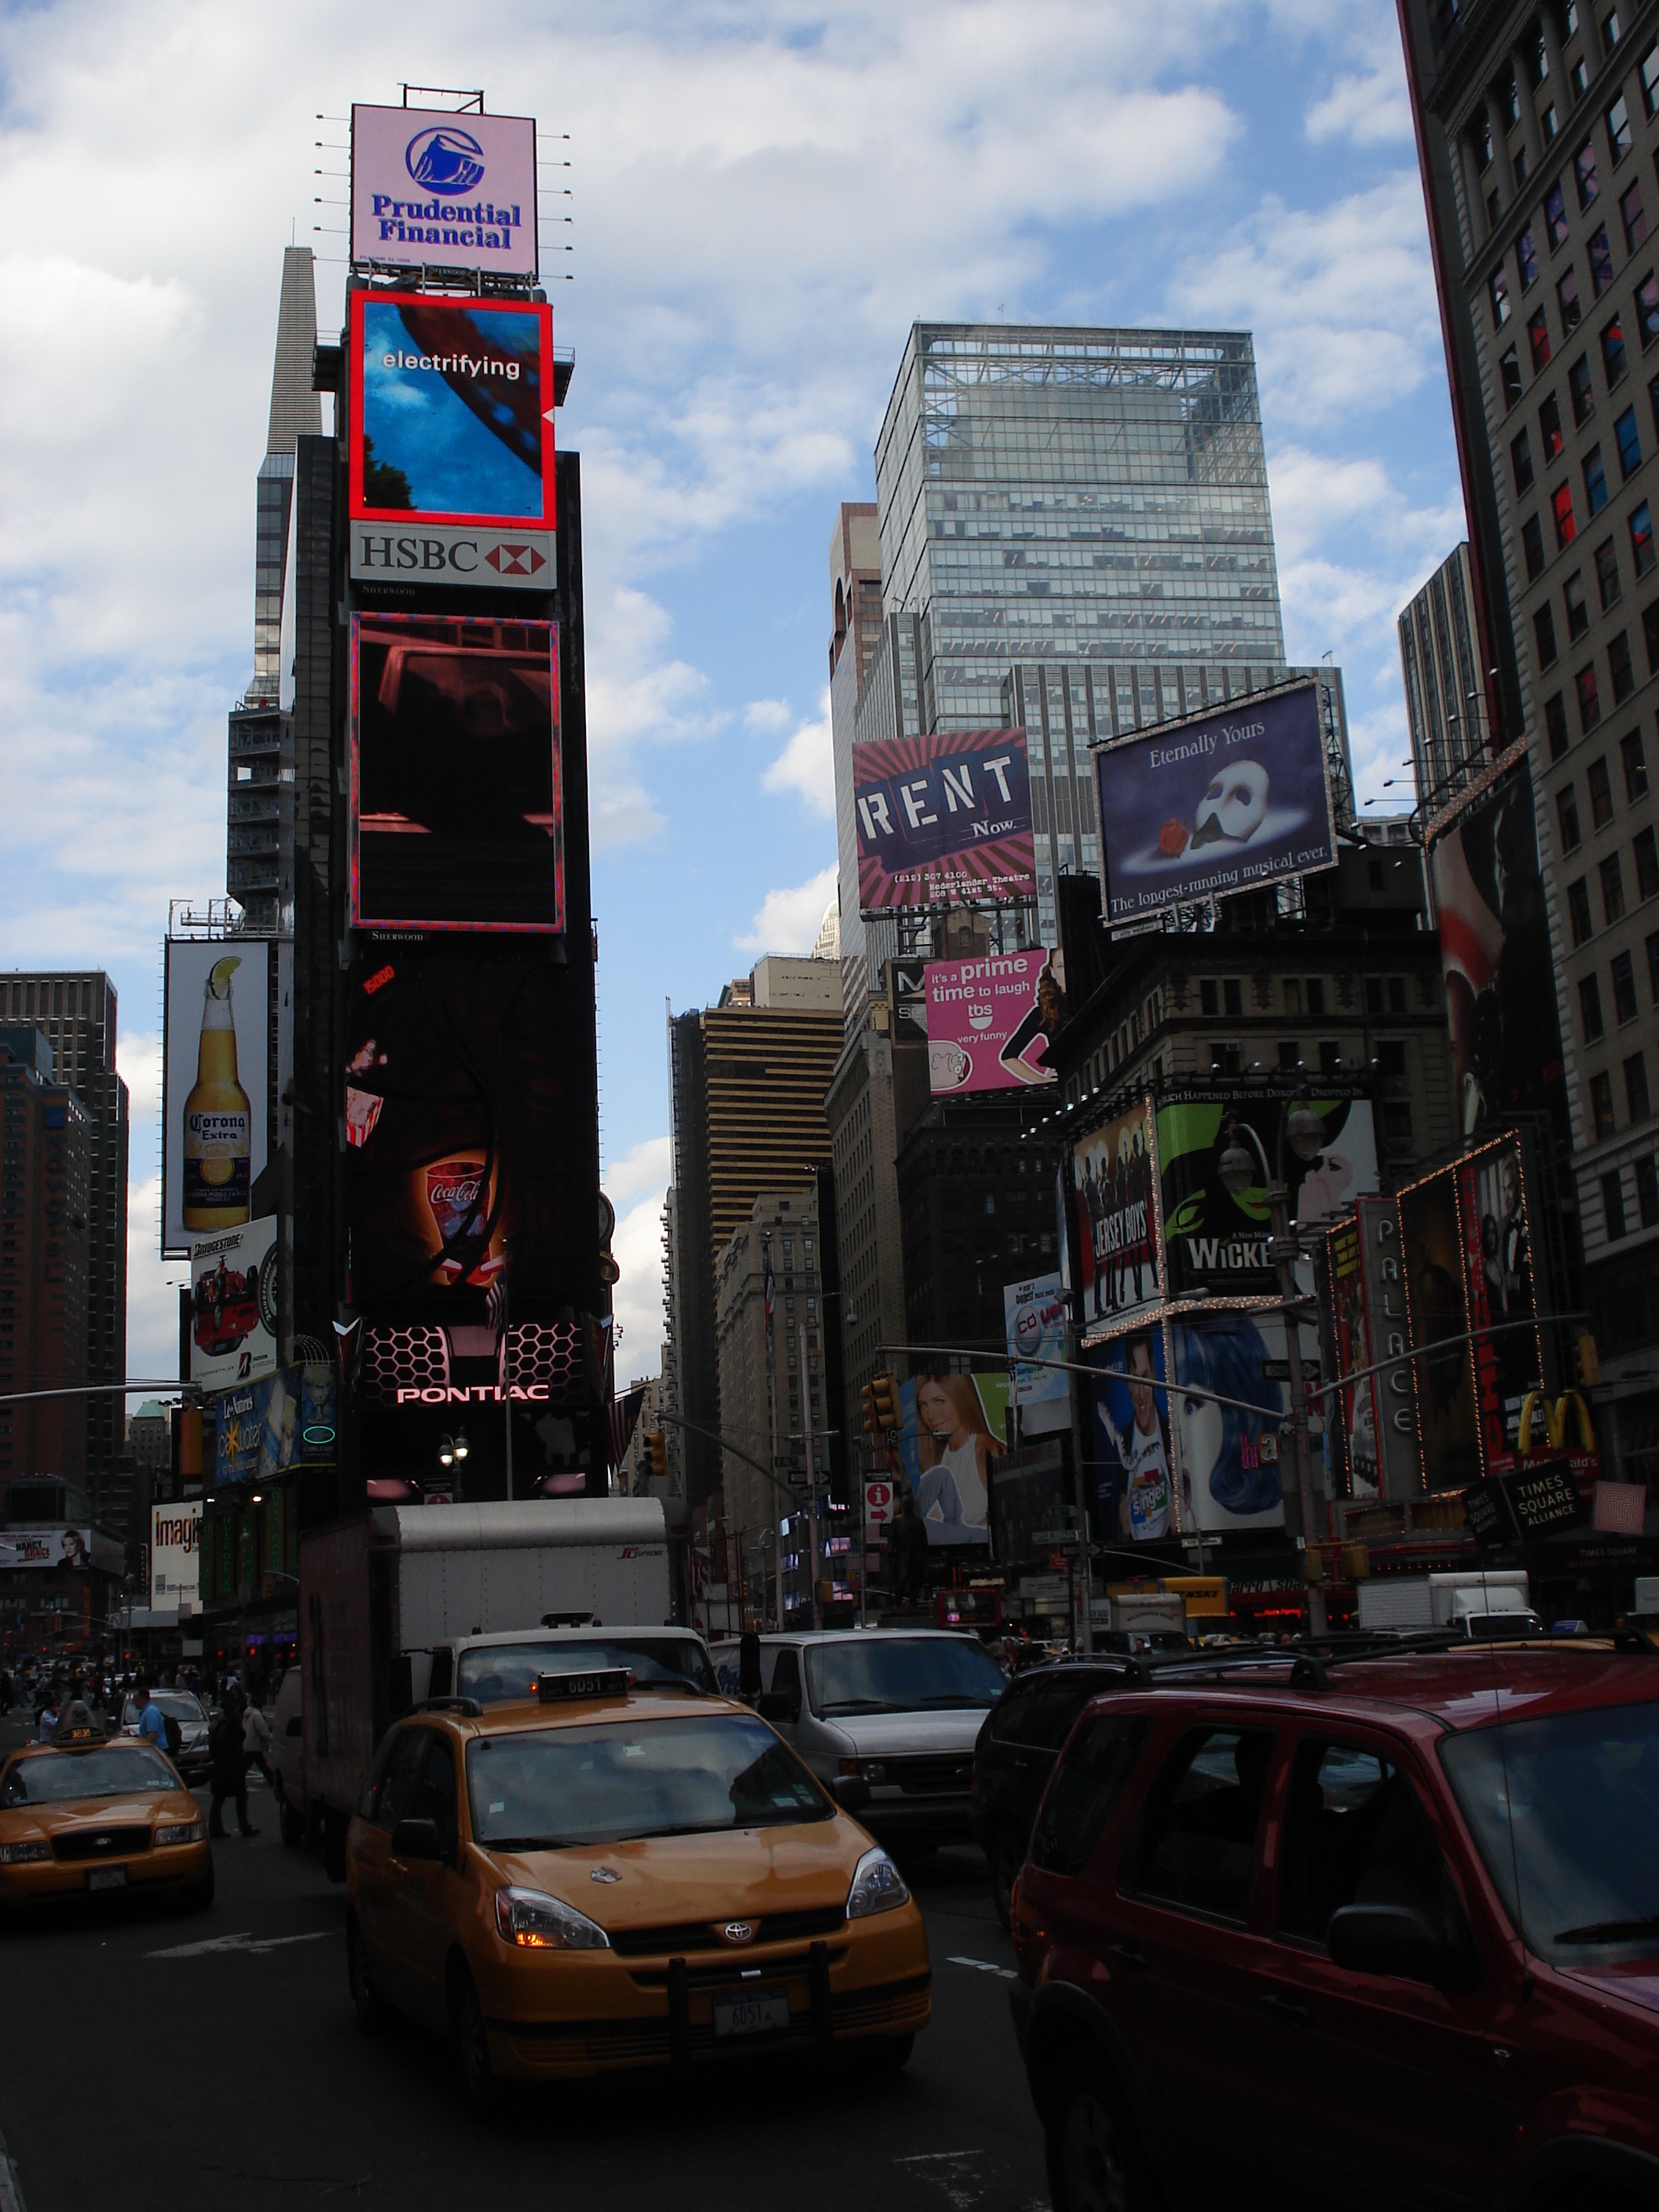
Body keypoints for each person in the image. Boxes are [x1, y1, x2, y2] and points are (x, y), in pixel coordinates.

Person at [913, 1372, 997, 1534]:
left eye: (939, 1401)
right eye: (923, 1405)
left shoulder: (985, 1450)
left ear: (962, 1400)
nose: (930, 1415)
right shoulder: (939, 1456)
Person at [209, 1683, 256, 1838]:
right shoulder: (227, 1729)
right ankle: (236, 1827)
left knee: (223, 1798)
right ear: (230, 1714)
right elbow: (225, 1751)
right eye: (236, 1712)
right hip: (228, 1770)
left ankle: (219, 1828)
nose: (239, 1714)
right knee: (231, 1797)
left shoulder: (227, 1727)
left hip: (226, 1769)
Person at [243, 1689, 274, 1785]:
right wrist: (272, 1738)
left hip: (248, 1742)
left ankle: (271, 1779)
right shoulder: (257, 1715)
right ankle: (272, 1780)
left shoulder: (247, 1714)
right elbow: (263, 1731)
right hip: (255, 1743)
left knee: (258, 1763)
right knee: (259, 1764)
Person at [134, 1679, 167, 1752]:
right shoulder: (146, 1712)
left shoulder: (150, 1712)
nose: (134, 1703)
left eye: (135, 1700)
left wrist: (145, 1750)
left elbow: (153, 1734)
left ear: (142, 1699)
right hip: (155, 1749)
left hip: (158, 1750)